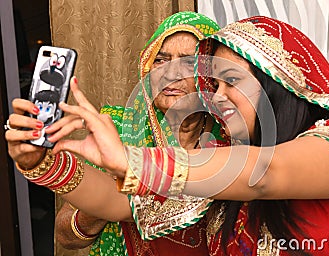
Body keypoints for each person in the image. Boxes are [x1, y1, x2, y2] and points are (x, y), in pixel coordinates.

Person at [42, 16, 329, 255]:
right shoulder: (226, 154)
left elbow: (266, 175)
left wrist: (132, 160)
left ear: (279, 82)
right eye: (214, 84)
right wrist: (43, 160)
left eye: (232, 81)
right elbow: (116, 203)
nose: (217, 95)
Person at [5, 11, 222, 256]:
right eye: (160, 60)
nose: (171, 73)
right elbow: (66, 238)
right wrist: (41, 163)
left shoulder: (229, 140)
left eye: (187, 61)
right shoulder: (120, 130)